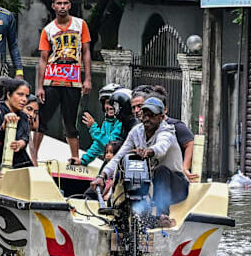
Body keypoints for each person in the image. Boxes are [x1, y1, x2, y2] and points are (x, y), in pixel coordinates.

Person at [91, 98, 189, 228]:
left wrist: (149, 151)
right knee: (127, 168)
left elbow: (162, 147)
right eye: (145, 114)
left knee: (161, 170)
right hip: (150, 186)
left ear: (161, 117)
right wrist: (102, 176)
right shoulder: (136, 132)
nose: (147, 119)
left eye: (152, 115)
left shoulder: (167, 131)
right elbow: (119, 157)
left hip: (175, 187)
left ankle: (162, 216)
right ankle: (121, 212)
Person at [34, 0, 93, 160]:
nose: (62, 7)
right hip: (52, 79)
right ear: (53, 6)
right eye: (59, 3)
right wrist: (39, 86)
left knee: (70, 121)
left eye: (65, 3)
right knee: (43, 119)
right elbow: (43, 59)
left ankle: (74, 157)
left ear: (70, 4)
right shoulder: (48, 30)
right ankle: (34, 157)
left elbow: (86, 52)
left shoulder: (80, 25)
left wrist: (87, 78)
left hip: (73, 80)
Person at [0, 77, 33, 178]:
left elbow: (25, 138)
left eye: (26, 96)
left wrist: (20, 143)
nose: (24, 100)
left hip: (19, 165)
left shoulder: (23, 116)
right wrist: (4, 127)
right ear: (9, 95)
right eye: (20, 94)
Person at [146, 85, 199, 182]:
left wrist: (185, 167)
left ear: (164, 110)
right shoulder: (143, 128)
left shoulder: (175, 126)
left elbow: (190, 143)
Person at [70, 83, 123, 166]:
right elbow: (98, 145)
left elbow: (111, 145)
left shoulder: (121, 122)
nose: (110, 107)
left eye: (113, 103)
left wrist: (93, 128)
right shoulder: (107, 122)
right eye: (108, 103)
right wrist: (83, 160)